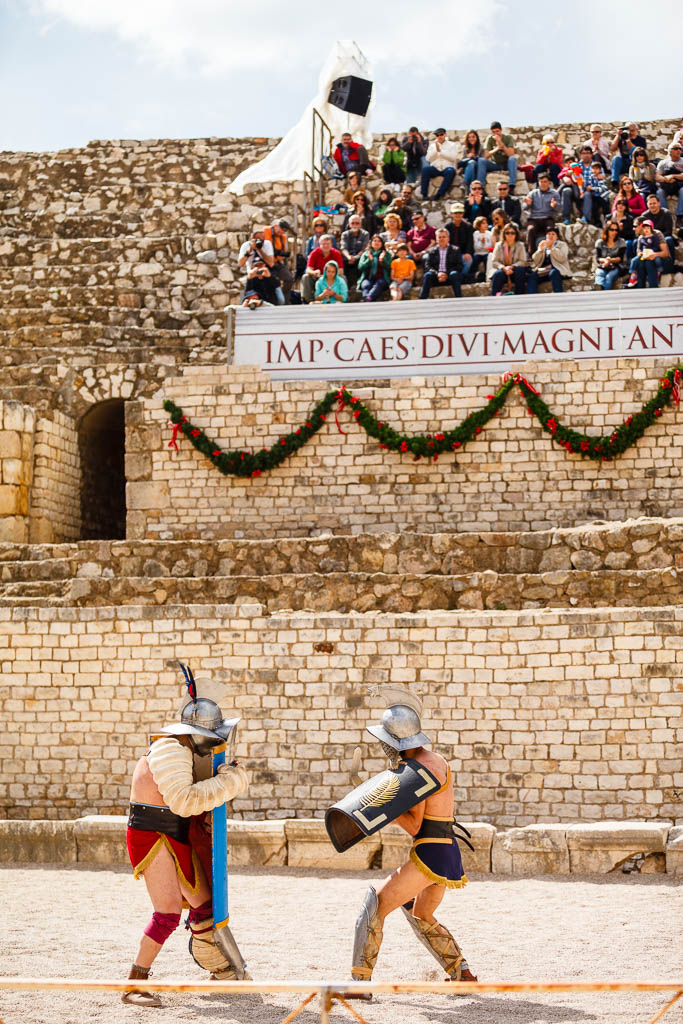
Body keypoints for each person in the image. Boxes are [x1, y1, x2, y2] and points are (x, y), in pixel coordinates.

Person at [124, 675, 249, 1006]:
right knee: (166, 914)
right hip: (153, 835)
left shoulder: (180, 749)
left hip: (172, 833)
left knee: (204, 908)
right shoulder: (169, 749)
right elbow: (183, 801)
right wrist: (232, 781)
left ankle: (221, 971)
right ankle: (134, 984)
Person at [349, 688, 477, 987]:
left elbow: (415, 825)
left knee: (374, 908)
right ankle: (463, 975)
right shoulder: (436, 760)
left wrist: (384, 809)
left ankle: (358, 984)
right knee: (421, 913)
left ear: (395, 741)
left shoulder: (414, 771)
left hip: (430, 851)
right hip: (447, 849)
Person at [420, 228, 463, 299]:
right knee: (428, 275)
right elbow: (428, 266)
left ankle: (459, 297)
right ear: (436, 239)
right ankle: (422, 299)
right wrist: (438, 274)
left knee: (454, 274)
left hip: (450, 276)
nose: (441, 239)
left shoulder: (455, 250)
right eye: (439, 237)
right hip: (436, 276)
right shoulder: (432, 251)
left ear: (448, 238)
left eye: (444, 237)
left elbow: (459, 265)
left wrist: (446, 273)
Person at [527, 225, 573, 293]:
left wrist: (551, 248)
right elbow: (535, 261)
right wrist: (540, 251)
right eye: (548, 234)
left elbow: (562, 258)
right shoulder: (543, 244)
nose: (550, 236)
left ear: (557, 237)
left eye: (553, 234)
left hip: (558, 270)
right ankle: (531, 296)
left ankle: (558, 294)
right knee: (533, 276)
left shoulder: (562, 244)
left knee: (554, 273)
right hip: (544, 271)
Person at [301, 234, 344, 303]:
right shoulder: (314, 253)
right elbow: (308, 269)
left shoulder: (336, 253)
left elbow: (341, 271)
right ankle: (308, 300)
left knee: (343, 277)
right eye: (323, 244)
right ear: (319, 244)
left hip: (332, 277)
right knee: (306, 277)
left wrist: (329, 275)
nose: (326, 246)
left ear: (331, 244)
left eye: (328, 244)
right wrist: (314, 272)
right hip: (318, 277)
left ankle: (341, 299)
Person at [524, 173, 560, 254]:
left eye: (545, 182)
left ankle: (553, 252)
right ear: (538, 182)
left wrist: (554, 205)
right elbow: (524, 208)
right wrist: (528, 204)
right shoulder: (533, 193)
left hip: (548, 217)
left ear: (549, 183)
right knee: (530, 230)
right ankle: (531, 253)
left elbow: (559, 209)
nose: (543, 184)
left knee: (551, 230)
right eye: (541, 182)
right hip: (534, 218)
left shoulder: (554, 193)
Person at [421, 129, 461, 200]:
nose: (439, 136)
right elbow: (428, 158)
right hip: (435, 168)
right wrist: (436, 150)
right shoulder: (432, 146)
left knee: (451, 172)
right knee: (425, 170)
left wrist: (441, 151)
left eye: (441, 134)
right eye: (437, 135)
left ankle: (439, 194)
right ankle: (424, 195)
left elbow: (453, 157)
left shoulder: (452, 145)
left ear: (445, 134)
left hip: (447, 168)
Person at [628, 219, 668, 288]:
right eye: (644, 228)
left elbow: (664, 252)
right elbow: (638, 250)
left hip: (655, 256)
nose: (646, 230)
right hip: (644, 256)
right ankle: (634, 276)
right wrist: (640, 253)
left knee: (649, 263)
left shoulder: (656, 235)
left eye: (648, 228)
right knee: (637, 262)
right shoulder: (641, 238)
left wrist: (653, 253)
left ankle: (657, 276)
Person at [643, 194, 677, 274]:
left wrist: (657, 239)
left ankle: (670, 266)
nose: (652, 205)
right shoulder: (644, 216)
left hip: (664, 238)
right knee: (636, 242)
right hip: (649, 239)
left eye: (654, 203)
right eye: (650, 204)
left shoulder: (666, 213)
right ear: (647, 205)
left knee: (669, 239)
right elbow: (643, 232)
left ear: (659, 203)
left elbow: (669, 231)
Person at [489, 223, 527, 295]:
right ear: (504, 234)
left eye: (512, 233)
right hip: (503, 270)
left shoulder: (520, 245)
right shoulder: (499, 245)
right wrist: (503, 268)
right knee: (497, 275)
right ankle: (494, 296)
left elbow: (523, 261)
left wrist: (512, 266)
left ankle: (520, 295)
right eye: (507, 233)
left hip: (515, 270)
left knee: (520, 271)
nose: (510, 235)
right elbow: (494, 261)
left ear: (516, 234)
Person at [559, 146, 594, 223]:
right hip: (576, 189)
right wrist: (565, 178)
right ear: (580, 155)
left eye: (588, 153)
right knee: (566, 190)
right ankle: (566, 219)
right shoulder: (575, 165)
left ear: (591, 154)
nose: (586, 155)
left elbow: (601, 177)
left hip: (588, 189)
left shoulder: (596, 166)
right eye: (583, 153)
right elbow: (565, 174)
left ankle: (585, 218)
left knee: (587, 194)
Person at [479, 121, 518, 189]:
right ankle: (481, 187)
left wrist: (501, 144)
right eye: (494, 132)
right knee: (481, 160)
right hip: (495, 164)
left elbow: (511, 154)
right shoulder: (490, 138)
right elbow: (486, 155)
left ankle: (512, 185)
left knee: (513, 159)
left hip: (506, 164)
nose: (496, 134)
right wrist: (497, 148)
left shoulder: (508, 137)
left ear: (501, 130)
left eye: (497, 131)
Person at [263, 219, 293, 303]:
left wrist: (282, 255)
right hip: (265, 261)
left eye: (283, 232)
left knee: (288, 278)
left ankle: (283, 299)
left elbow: (282, 251)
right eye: (280, 231)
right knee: (271, 281)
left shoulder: (282, 237)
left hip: (276, 262)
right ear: (275, 226)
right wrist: (276, 253)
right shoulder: (265, 231)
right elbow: (265, 248)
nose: (281, 233)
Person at [358, 235, 392, 302]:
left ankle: (367, 298)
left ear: (382, 243)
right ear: (371, 243)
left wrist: (383, 260)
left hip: (382, 278)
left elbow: (389, 268)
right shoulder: (366, 254)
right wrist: (369, 261)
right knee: (365, 285)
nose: (376, 243)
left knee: (379, 283)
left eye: (379, 241)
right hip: (368, 278)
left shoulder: (386, 254)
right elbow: (360, 267)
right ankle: (370, 298)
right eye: (375, 241)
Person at [655, 143, 683, 225]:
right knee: (659, 192)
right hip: (667, 186)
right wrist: (666, 179)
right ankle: (665, 214)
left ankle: (680, 215)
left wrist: (672, 176)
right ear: (670, 151)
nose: (679, 150)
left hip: (679, 186)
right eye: (676, 148)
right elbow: (657, 177)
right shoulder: (663, 163)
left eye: (680, 149)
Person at [593, 222, 627, 290]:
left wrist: (610, 260)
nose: (614, 232)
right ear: (607, 230)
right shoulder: (600, 242)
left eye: (616, 230)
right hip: (603, 265)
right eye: (612, 230)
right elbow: (598, 258)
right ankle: (599, 287)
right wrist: (605, 261)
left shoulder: (621, 242)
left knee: (609, 276)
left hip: (616, 266)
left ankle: (603, 291)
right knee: (599, 274)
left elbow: (620, 258)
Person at [444, 202, 474, 278]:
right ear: (451, 214)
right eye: (455, 213)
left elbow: (470, 241)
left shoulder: (468, 226)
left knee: (468, 261)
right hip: (451, 253)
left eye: (460, 213)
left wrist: (468, 253)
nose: (458, 215)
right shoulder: (448, 227)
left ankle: (462, 277)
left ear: (463, 214)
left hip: (463, 253)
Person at [340, 215, 370, 290]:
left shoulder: (365, 234)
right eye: (353, 223)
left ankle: (359, 285)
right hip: (348, 256)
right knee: (342, 262)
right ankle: (344, 285)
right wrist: (349, 257)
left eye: (357, 223)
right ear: (349, 224)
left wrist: (355, 257)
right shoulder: (345, 234)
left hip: (359, 256)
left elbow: (364, 249)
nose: (355, 225)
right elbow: (343, 248)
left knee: (361, 262)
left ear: (360, 224)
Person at [583, 161, 611, 226]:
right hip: (595, 196)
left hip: (603, 197)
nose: (595, 170)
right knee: (594, 208)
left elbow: (602, 189)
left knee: (606, 210)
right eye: (593, 168)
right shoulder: (591, 177)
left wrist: (592, 188)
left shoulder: (601, 178)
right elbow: (587, 184)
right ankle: (597, 223)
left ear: (600, 170)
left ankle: (607, 222)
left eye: (596, 169)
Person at [471, 216, 493, 281]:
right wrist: (482, 244)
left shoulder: (489, 234)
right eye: (483, 223)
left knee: (487, 259)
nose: (486, 225)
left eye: (486, 223)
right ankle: (472, 277)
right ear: (479, 225)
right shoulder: (475, 234)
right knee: (475, 260)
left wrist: (483, 244)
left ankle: (487, 277)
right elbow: (476, 247)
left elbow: (490, 246)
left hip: (486, 253)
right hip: (477, 253)